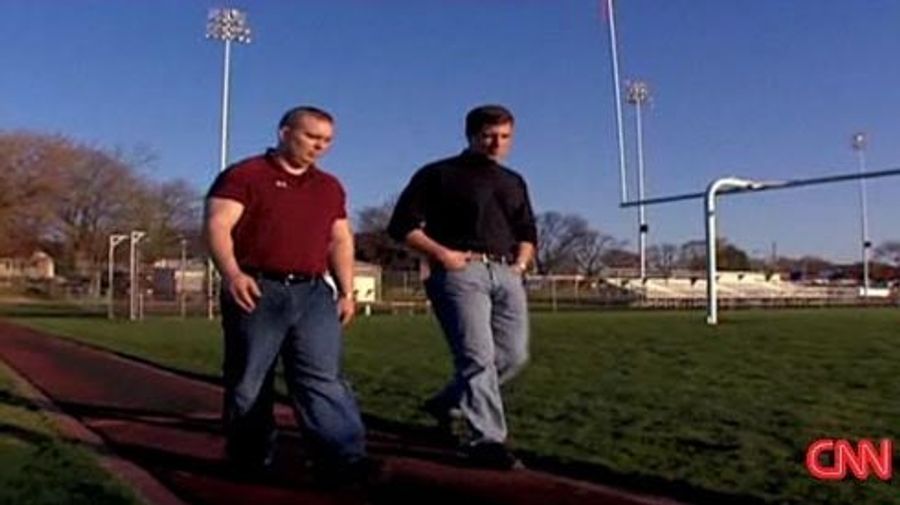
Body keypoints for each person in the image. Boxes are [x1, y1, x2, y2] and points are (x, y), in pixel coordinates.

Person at [204, 105, 367, 485]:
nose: (319, 147)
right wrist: (232, 273)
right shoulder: (245, 175)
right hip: (259, 288)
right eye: (312, 137)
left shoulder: (330, 187)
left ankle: (343, 458)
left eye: (326, 141)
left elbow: (340, 238)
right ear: (284, 132)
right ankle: (250, 455)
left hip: (313, 292)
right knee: (249, 379)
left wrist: (346, 290)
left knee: (322, 378)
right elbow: (217, 224)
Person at [387, 104, 537, 470]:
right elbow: (402, 225)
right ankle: (487, 440)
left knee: (514, 356)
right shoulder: (439, 174)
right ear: (471, 135)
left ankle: (446, 403)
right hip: (460, 272)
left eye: (504, 137)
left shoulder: (513, 180)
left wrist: (520, 263)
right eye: (488, 136)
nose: (496, 144)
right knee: (477, 357)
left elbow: (527, 230)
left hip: (506, 272)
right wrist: (444, 254)